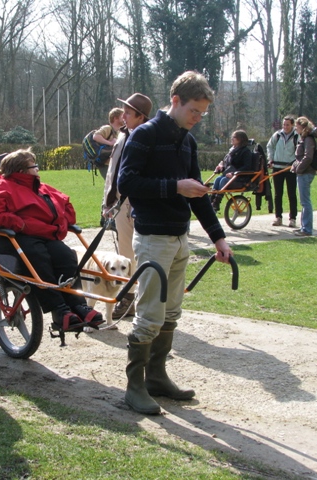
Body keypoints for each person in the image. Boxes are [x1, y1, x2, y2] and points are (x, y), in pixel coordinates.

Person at [118, 71, 233, 415]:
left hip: (181, 239)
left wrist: (219, 238)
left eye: (203, 113)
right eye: (194, 111)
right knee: (149, 315)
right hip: (153, 238)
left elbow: (197, 193)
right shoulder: (145, 134)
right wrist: (175, 187)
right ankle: (134, 386)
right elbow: (127, 182)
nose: (198, 119)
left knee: (171, 313)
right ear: (176, 101)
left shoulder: (187, 141)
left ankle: (157, 377)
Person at [0, 149, 104, 331]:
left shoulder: (39, 187)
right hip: (15, 238)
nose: (38, 169)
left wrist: (61, 222)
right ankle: (58, 310)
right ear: (21, 171)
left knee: (65, 256)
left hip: (43, 235)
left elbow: (65, 204)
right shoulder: (1, 186)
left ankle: (77, 305)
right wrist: (21, 224)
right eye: (34, 166)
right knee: (38, 258)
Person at [102, 93, 153, 320]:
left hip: (143, 202)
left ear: (141, 117)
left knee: (147, 253)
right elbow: (112, 172)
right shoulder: (123, 135)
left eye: (128, 113)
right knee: (125, 253)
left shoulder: (151, 138)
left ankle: (147, 302)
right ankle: (128, 297)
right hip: (122, 203)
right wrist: (108, 202)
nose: (123, 116)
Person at [291, 116, 317, 236]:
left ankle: (307, 229)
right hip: (303, 171)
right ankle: (304, 226)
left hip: (306, 172)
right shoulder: (304, 138)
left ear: (303, 127)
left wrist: (299, 168)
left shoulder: (308, 138)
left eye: (297, 126)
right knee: (303, 201)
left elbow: (308, 157)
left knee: (305, 201)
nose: (296, 129)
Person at [210, 129, 254, 212]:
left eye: (234, 137)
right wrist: (221, 167)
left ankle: (216, 204)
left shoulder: (246, 152)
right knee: (217, 179)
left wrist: (234, 173)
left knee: (223, 180)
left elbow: (247, 166)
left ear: (240, 139)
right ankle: (211, 201)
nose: (232, 139)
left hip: (240, 178)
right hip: (230, 176)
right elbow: (228, 165)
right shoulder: (232, 151)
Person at [266, 116, 299, 228]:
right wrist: (270, 159)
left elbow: (300, 151)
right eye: (284, 124)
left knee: (291, 194)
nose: (285, 127)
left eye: (287, 125)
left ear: (292, 125)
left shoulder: (296, 136)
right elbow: (270, 146)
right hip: (277, 167)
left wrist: (296, 162)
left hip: (290, 168)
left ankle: (293, 218)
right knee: (278, 193)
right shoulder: (277, 135)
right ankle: (278, 217)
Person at [93, 108, 124, 179]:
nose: (124, 118)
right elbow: (96, 136)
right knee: (112, 185)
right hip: (105, 164)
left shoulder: (120, 131)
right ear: (115, 118)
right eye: (122, 116)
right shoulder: (107, 128)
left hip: (114, 164)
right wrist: (110, 143)